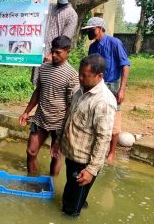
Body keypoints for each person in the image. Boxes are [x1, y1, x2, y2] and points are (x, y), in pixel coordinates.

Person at [52, 54, 117, 216]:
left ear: (99, 76)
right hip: (72, 155)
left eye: (85, 75)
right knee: (72, 193)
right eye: (79, 74)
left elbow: (103, 139)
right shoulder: (80, 90)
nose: (80, 78)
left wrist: (91, 170)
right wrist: (58, 142)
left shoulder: (103, 101)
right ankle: (79, 201)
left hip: (84, 163)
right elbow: (68, 118)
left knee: (70, 211)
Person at [19, 36, 79, 176]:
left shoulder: (72, 75)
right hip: (41, 117)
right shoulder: (44, 68)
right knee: (31, 151)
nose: (54, 55)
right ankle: (32, 180)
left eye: (58, 52)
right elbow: (38, 92)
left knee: (56, 155)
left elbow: (71, 106)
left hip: (59, 122)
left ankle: (51, 182)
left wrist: (64, 131)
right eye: (53, 51)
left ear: (67, 52)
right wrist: (26, 112)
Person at [82, 17, 131, 164]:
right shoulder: (93, 47)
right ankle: (94, 149)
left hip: (112, 85)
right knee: (94, 115)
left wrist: (122, 89)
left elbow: (125, 65)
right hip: (96, 85)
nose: (89, 33)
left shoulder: (114, 43)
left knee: (115, 120)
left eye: (91, 30)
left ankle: (111, 153)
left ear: (100, 29)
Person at [31, 0, 78, 86]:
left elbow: (64, 40)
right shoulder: (50, 7)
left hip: (54, 58)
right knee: (37, 87)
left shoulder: (72, 15)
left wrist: (52, 55)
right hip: (39, 53)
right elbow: (34, 8)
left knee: (50, 86)